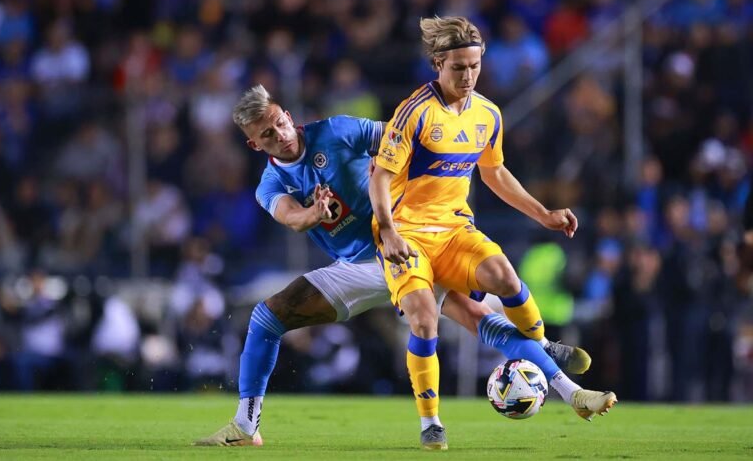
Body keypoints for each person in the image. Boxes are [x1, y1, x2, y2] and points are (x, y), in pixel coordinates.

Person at [194, 84, 606, 449]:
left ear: (285, 113)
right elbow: (290, 218)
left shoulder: (336, 130)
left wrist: (411, 178)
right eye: (266, 135)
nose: (279, 135)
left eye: (279, 123)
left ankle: (570, 391)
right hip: (356, 265)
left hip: (405, 242)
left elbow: (399, 136)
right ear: (254, 145)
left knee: (472, 312)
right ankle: (247, 424)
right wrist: (313, 213)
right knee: (267, 318)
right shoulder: (270, 185)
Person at [369, 16, 617, 450]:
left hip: (453, 230)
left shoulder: (487, 114)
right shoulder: (414, 112)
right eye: (458, 68)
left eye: (474, 66)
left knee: (504, 275)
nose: (467, 76)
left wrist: (542, 214)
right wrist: (388, 231)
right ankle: (431, 422)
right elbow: (379, 177)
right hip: (407, 235)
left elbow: (495, 173)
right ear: (437, 64)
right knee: (426, 322)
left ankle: (542, 346)